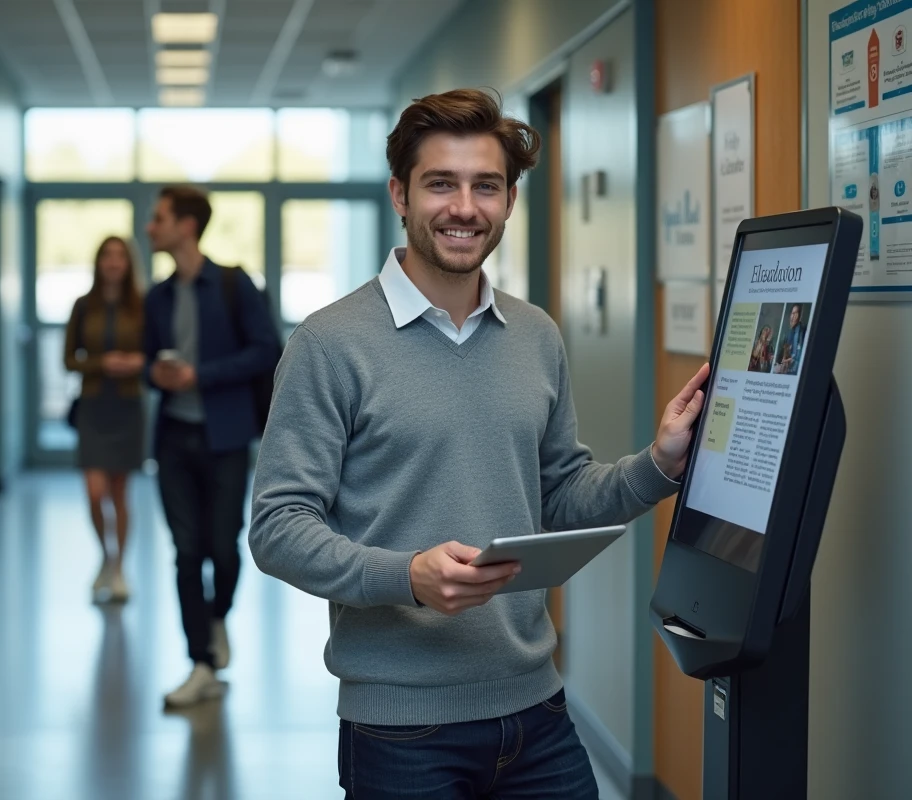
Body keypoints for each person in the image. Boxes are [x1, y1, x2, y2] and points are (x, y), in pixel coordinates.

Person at [248, 88, 710, 798]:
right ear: (400, 194)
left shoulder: (535, 336)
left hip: (538, 714)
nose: (464, 207)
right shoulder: (329, 344)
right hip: (401, 733)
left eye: (485, 186)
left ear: (510, 201)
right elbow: (278, 528)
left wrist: (659, 465)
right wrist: (408, 576)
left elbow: (558, 495)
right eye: (441, 183)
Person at [142, 185, 280, 709]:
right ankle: (200, 661)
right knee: (186, 552)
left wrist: (200, 375)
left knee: (224, 548)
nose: (151, 228)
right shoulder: (156, 296)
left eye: (159, 219)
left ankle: (216, 615)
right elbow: (152, 363)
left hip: (224, 436)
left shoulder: (232, 284)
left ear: (186, 226)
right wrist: (158, 374)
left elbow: (266, 349)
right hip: (173, 438)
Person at [63, 236, 147, 604]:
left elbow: (154, 352)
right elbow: (68, 359)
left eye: (119, 257)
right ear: (98, 263)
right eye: (106, 256)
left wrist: (135, 363)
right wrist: (102, 363)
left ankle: (118, 568)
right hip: (94, 405)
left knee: (119, 491)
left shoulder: (142, 306)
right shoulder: (83, 305)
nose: (113, 263)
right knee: (95, 492)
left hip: (128, 406)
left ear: (128, 264)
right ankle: (105, 554)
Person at [776, 304, 805, 374]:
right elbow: (784, 353)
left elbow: (797, 358)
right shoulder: (789, 333)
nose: (793, 316)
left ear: (800, 316)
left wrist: (788, 362)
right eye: (792, 313)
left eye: (796, 313)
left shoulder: (800, 332)